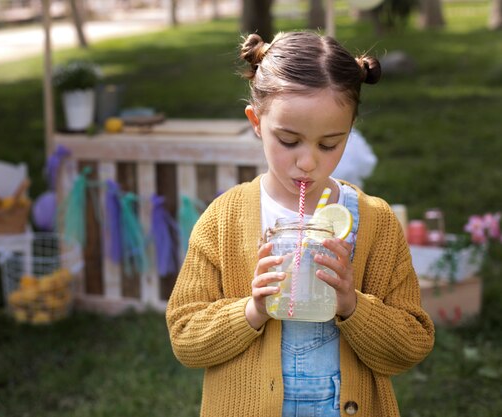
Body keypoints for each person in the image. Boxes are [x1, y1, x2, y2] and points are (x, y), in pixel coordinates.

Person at [165, 31, 435, 417]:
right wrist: (252, 310)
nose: (307, 162)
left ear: (350, 130)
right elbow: (185, 339)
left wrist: (352, 305)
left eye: (329, 144)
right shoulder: (224, 219)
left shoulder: (375, 223)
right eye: (289, 140)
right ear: (256, 122)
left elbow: (412, 344)